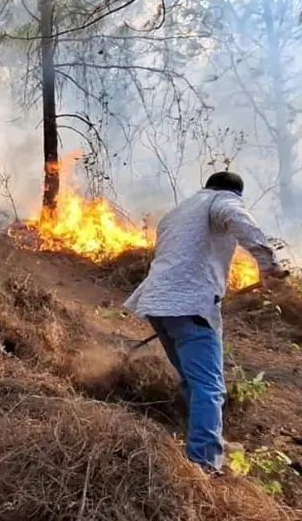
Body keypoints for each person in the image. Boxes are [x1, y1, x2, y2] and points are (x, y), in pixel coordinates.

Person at [123, 171, 288, 476]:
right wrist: (269, 265)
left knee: (192, 379)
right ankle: (203, 464)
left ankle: (204, 439)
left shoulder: (178, 212)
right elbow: (241, 221)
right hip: (189, 305)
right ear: (234, 194)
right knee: (209, 387)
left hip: (158, 303)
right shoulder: (222, 201)